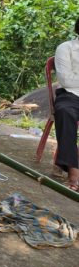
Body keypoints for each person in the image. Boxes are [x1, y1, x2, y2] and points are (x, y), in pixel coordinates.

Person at [53, 16, 79, 191]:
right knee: (65, 112)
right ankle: (74, 173)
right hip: (69, 95)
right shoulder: (66, 48)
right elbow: (66, 80)